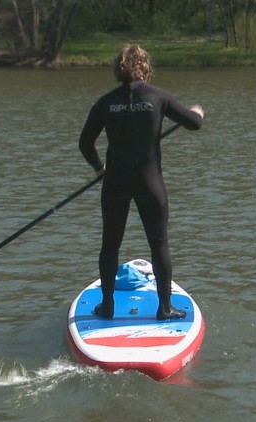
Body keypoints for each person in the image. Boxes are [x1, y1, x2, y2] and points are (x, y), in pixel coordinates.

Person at [79, 44, 205, 320]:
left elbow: (85, 143)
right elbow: (194, 123)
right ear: (146, 68)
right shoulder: (158, 97)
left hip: (115, 182)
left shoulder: (106, 102)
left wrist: (99, 168)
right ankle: (165, 308)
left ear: (118, 69)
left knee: (110, 245)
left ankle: (107, 306)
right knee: (159, 244)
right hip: (149, 183)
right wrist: (196, 111)